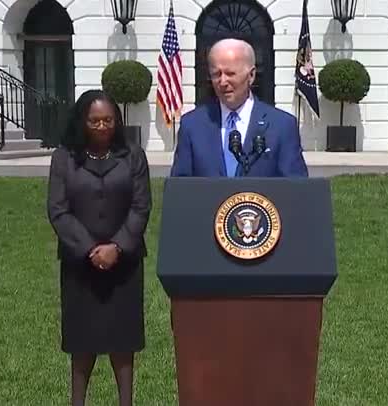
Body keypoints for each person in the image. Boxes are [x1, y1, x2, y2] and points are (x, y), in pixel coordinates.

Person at [46, 89, 151, 406]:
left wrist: (117, 246)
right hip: (80, 264)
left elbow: (141, 206)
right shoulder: (64, 157)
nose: (103, 126)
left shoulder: (132, 154)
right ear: (82, 122)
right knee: (82, 341)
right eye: (95, 121)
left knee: (123, 340)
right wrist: (91, 248)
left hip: (125, 263)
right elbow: (58, 209)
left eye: (109, 120)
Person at [169, 38, 308, 177]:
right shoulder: (192, 125)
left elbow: (296, 189)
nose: (222, 82)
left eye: (230, 74)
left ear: (251, 75)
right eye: (216, 74)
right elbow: (180, 189)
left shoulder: (282, 126)